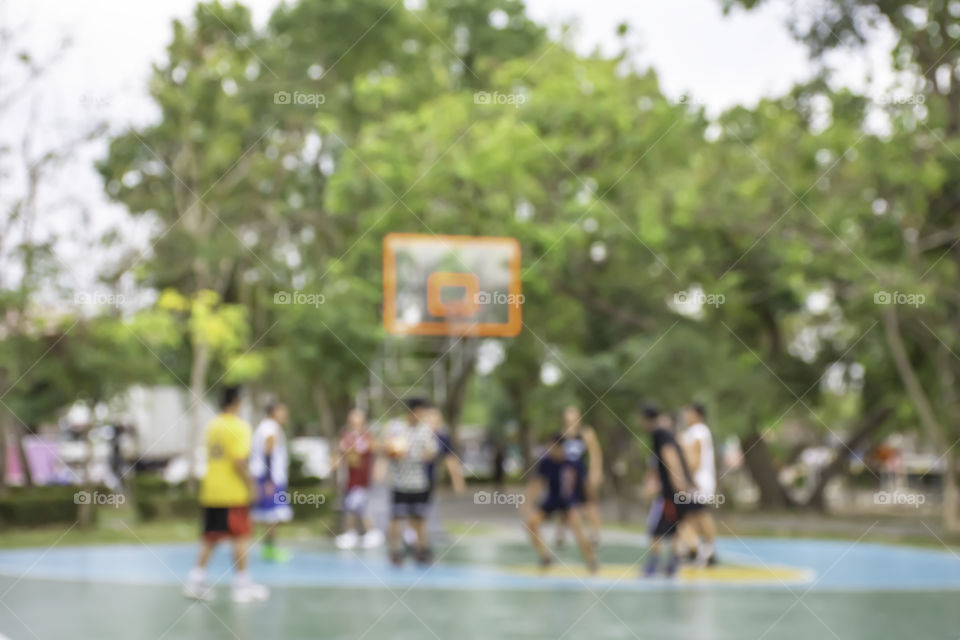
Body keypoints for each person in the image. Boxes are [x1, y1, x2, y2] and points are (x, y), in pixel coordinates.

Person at [184, 386, 268, 602]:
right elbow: (239, 460)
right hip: (232, 493)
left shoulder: (212, 426)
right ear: (237, 401)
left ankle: (195, 580)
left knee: (210, 537)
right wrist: (251, 484)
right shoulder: (239, 427)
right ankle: (242, 585)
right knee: (240, 536)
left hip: (211, 490)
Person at [523, 432, 598, 573]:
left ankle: (591, 559)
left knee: (577, 526)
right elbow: (537, 484)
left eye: (551, 446)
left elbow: (585, 485)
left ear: (559, 447)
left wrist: (589, 504)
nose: (549, 449)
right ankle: (545, 557)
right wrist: (527, 502)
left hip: (570, 500)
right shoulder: (546, 463)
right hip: (552, 500)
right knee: (532, 523)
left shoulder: (574, 463)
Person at [639, 403, 692, 578]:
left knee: (655, 528)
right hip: (674, 491)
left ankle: (655, 563)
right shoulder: (668, 433)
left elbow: (670, 455)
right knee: (675, 527)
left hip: (670, 493)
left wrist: (679, 482)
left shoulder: (659, 433)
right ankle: (672, 563)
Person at [385, 397, 439, 566]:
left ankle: (421, 549)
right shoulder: (395, 427)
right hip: (399, 482)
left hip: (418, 482)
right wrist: (393, 451)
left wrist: (420, 455)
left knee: (419, 518)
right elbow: (383, 447)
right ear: (412, 411)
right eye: (421, 412)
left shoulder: (425, 430)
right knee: (396, 517)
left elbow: (432, 453)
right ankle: (395, 550)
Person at [333, 408, 383, 549]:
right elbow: (339, 452)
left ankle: (364, 532)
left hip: (363, 478)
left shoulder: (368, 436)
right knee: (356, 506)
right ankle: (358, 533)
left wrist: (378, 470)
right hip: (350, 478)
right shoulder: (345, 436)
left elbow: (378, 451)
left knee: (354, 505)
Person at [250, 400, 293, 562]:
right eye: (282, 410)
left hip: (269, 477)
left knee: (267, 515)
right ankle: (269, 550)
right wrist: (268, 480)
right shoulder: (270, 428)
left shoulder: (267, 427)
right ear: (274, 412)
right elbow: (268, 453)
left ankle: (267, 548)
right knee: (272, 515)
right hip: (269, 478)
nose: (285, 414)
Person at [555, 406, 604, 546]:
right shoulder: (562, 435)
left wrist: (596, 472)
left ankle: (595, 533)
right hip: (567, 475)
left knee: (590, 503)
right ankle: (561, 532)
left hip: (583, 473)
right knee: (565, 504)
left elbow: (595, 453)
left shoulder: (586, 433)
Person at [678, 402, 719, 566]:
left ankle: (706, 550)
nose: (685, 416)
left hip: (697, 482)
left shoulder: (698, 431)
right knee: (692, 517)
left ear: (696, 414)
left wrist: (686, 479)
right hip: (698, 482)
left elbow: (694, 460)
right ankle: (695, 549)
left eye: (688, 412)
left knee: (698, 515)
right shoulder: (695, 432)